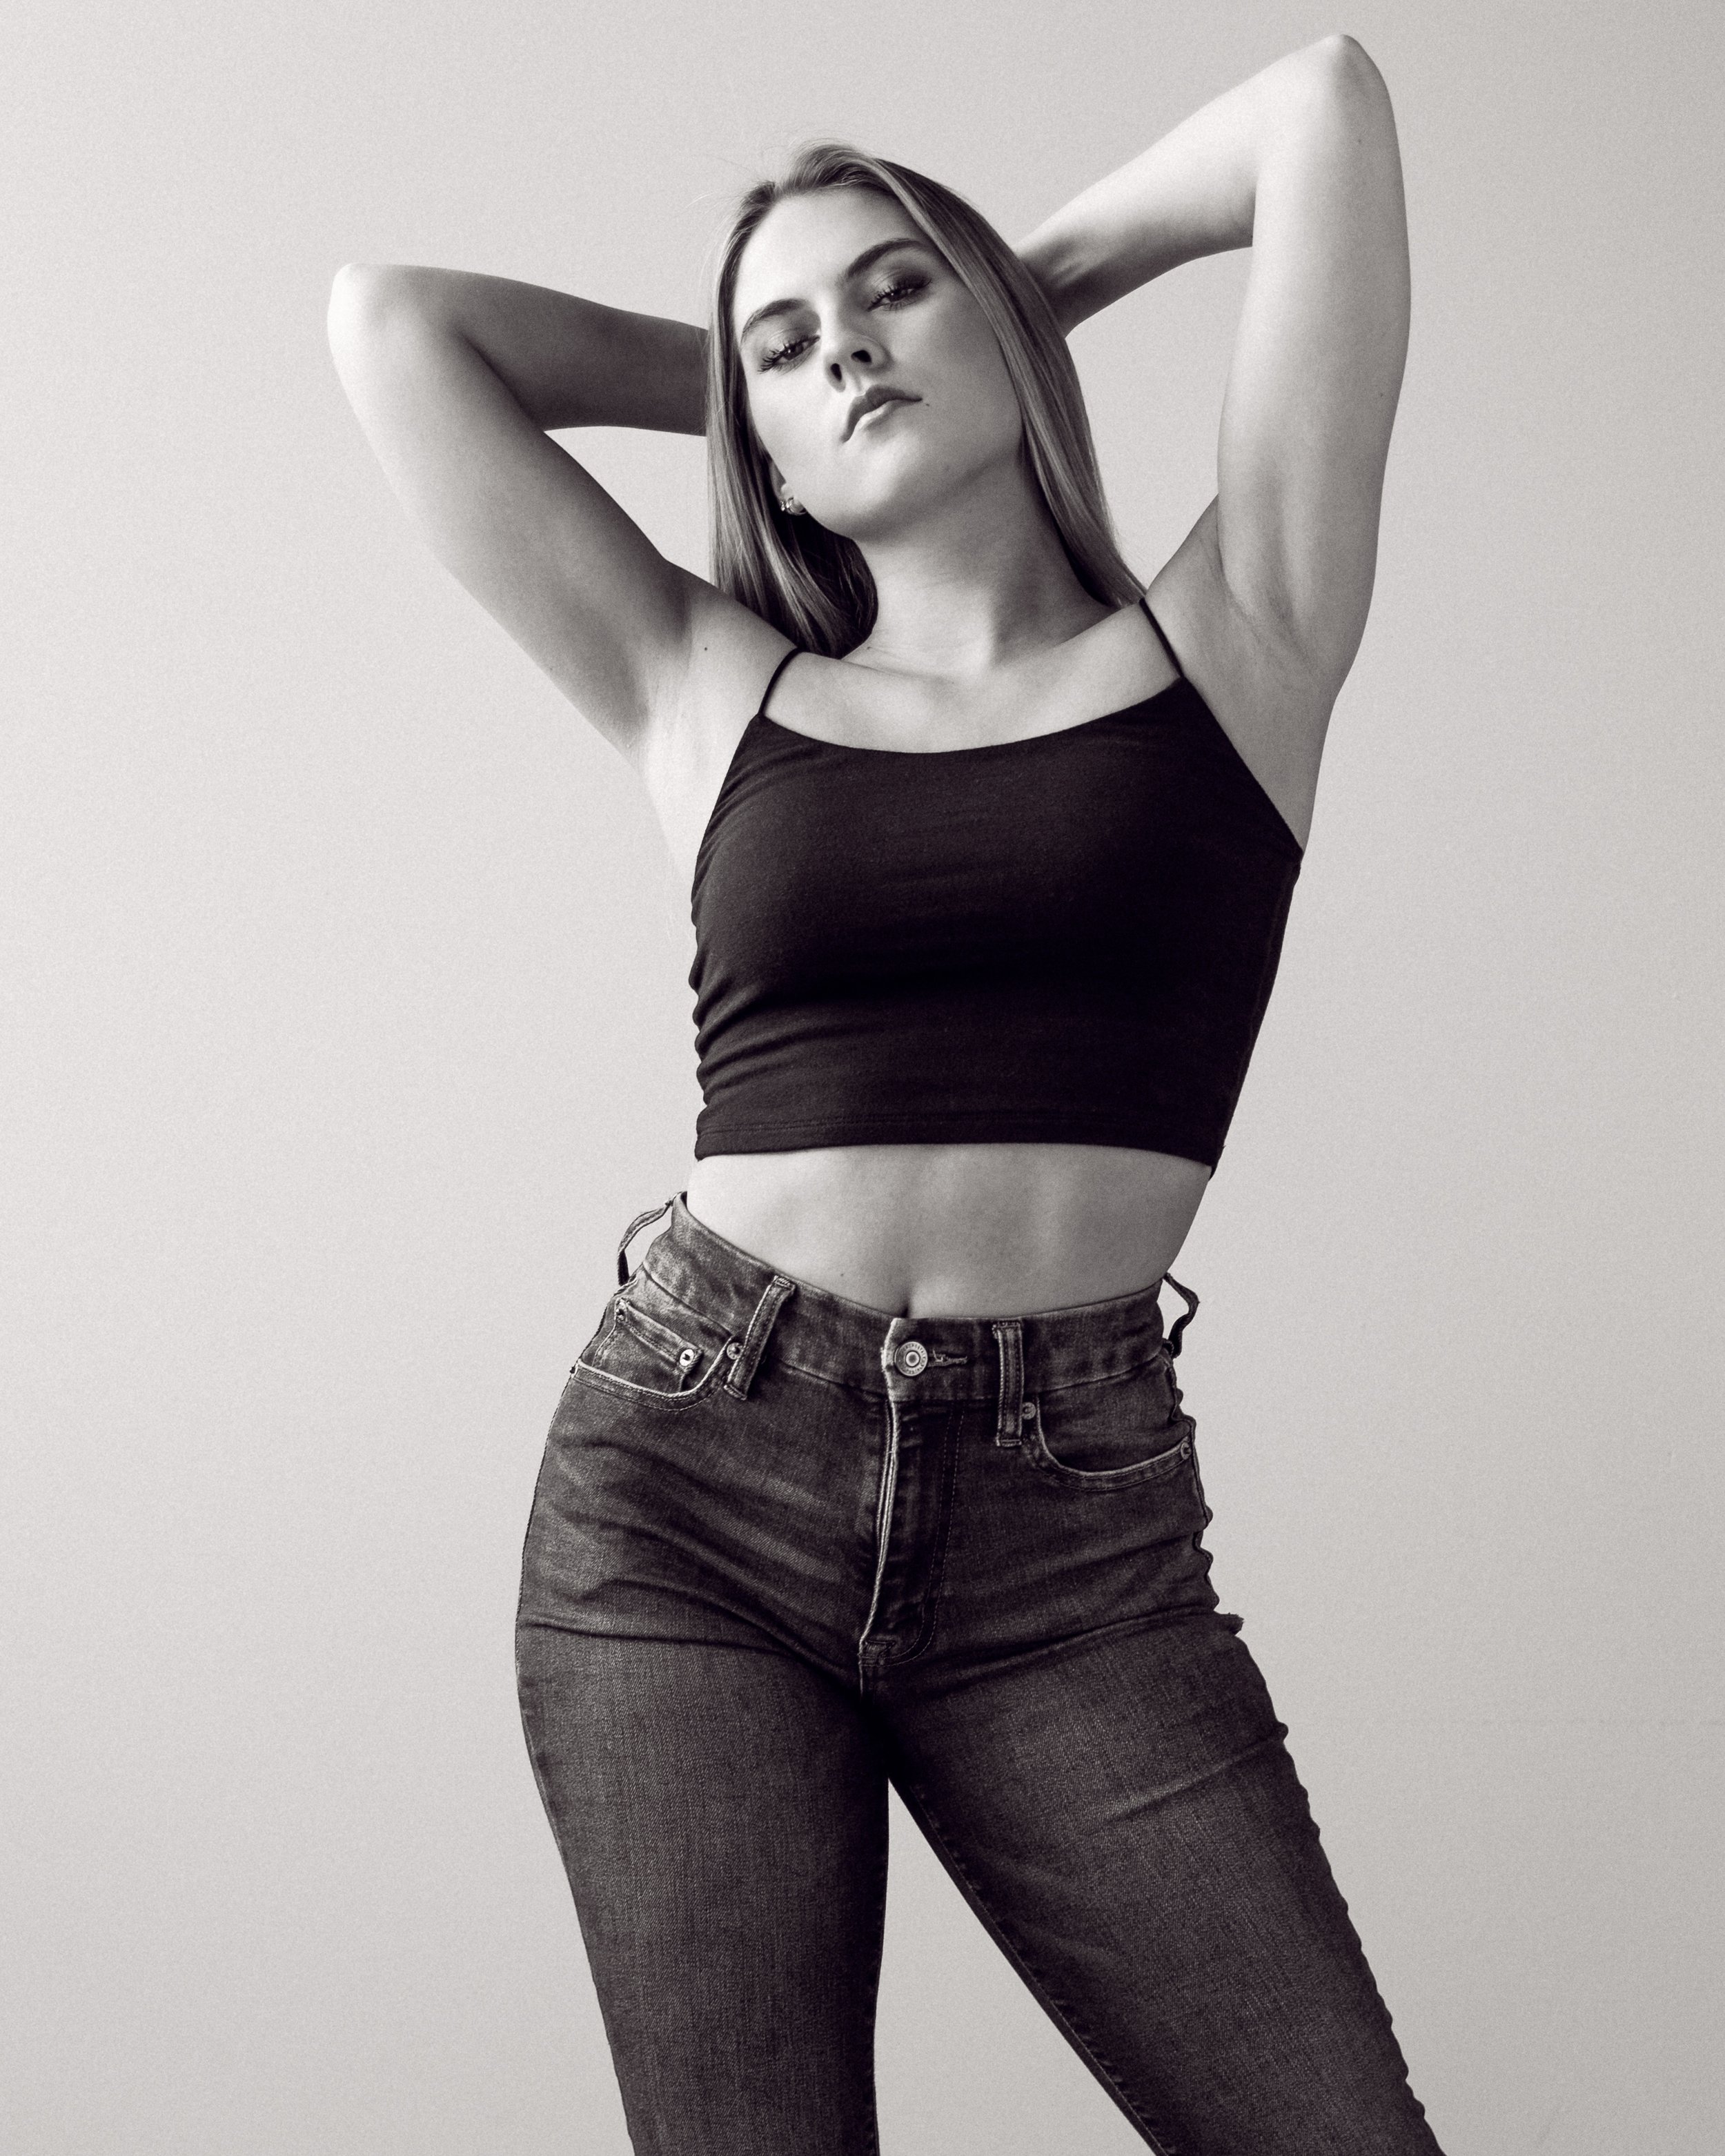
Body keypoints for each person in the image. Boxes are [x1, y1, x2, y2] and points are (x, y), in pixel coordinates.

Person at [328, 32, 1426, 2154]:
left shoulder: (1242, 637)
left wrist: (1023, 281)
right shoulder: (705, 686)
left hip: (1071, 1536)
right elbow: (396, 325)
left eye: (895, 289)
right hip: (686, 1491)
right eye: (787, 342)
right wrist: (752, 376)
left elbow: (1321, 109)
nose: (846, 349)